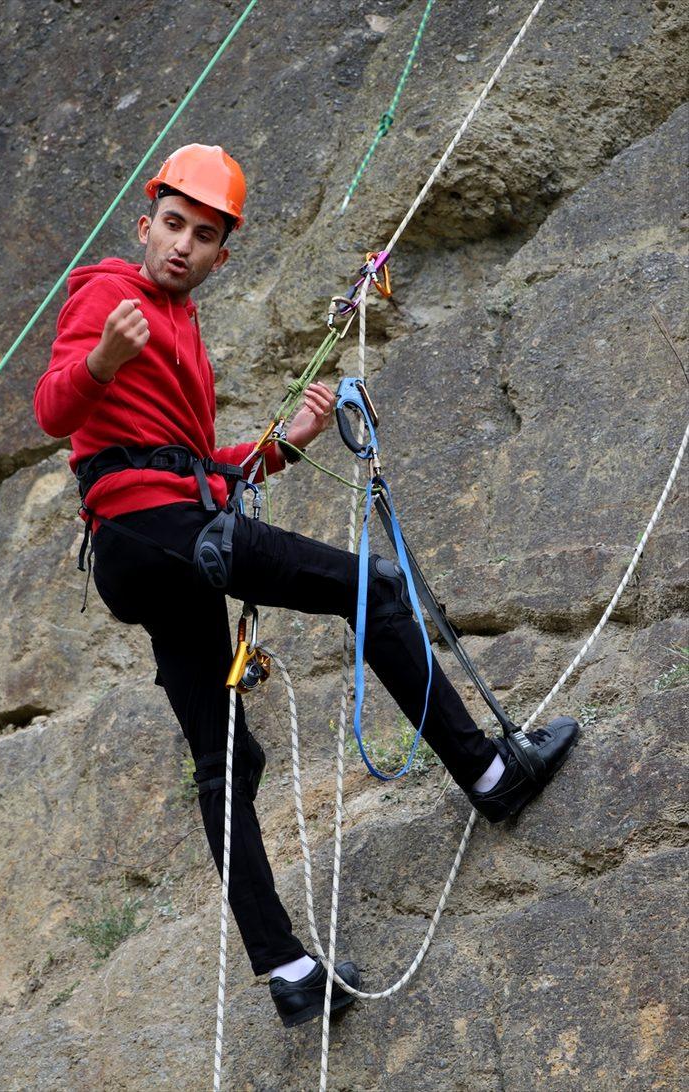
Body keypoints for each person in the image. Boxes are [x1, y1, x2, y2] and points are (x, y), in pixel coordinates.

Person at [34, 143, 579, 1027]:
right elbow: (53, 407)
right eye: (171, 225)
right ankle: (485, 772)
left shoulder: (183, 332)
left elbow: (198, 466)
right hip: (157, 532)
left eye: (201, 235)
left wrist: (284, 443)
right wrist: (99, 360)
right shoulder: (110, 295)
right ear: (145, 225)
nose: (181, 245)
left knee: (226, 759)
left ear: (222, 254)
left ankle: (287, 971)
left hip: (157, 547)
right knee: (370, 587)